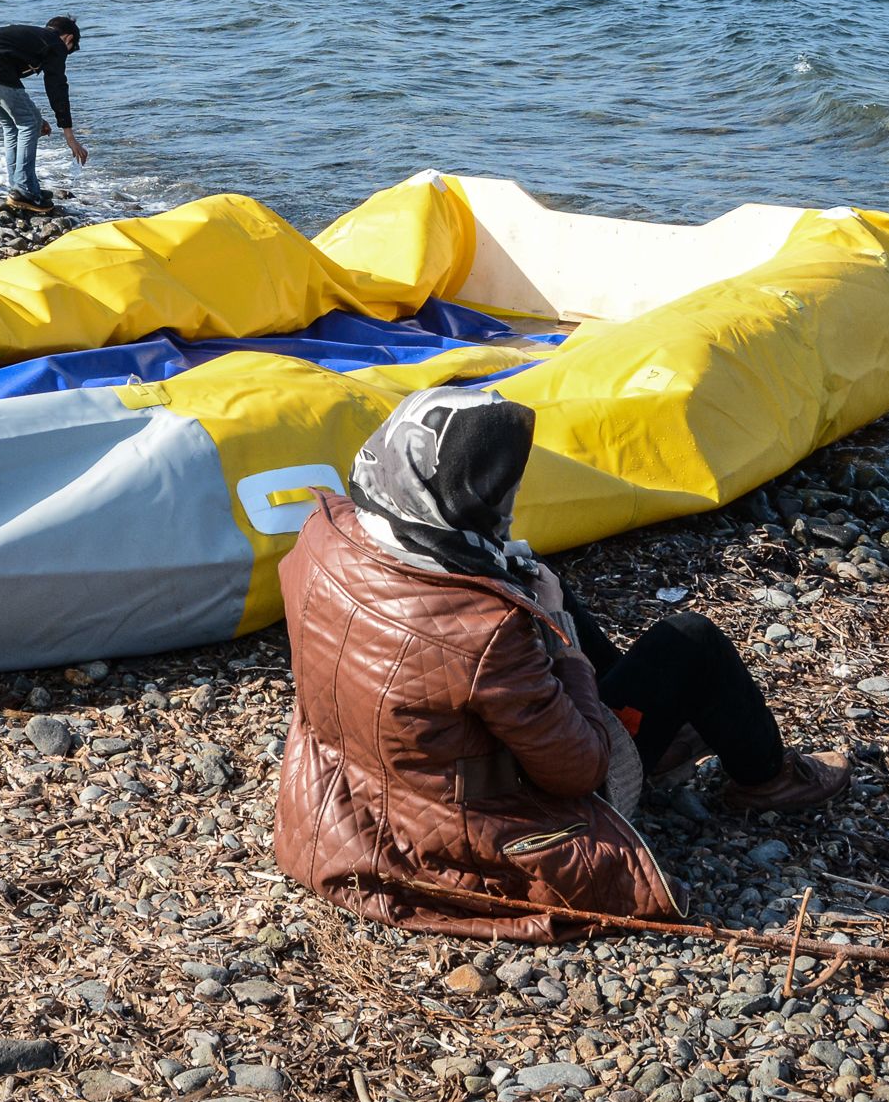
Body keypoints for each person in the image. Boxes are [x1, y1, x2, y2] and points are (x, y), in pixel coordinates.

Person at [274, 387, 853, 940]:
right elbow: (580, 771)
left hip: (373, 780)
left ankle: (655, 727)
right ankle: (767, 778)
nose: (505, 501)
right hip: (478, 824)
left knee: (528, 577)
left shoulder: (322, 533)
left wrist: (541, 606)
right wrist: (562, 639)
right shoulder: (484, 631)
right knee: (690, 640)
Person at [0, 16, 85, 213]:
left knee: (12, 125)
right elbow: (57, 87)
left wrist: (37, 117)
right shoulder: (56, 43)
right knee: (28, 124)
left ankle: (20, 188)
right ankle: (24, 190)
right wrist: (69, 135)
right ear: (68, 38)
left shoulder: (32, 37)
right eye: (71, 48)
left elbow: (14, 95)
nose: (67, 53)